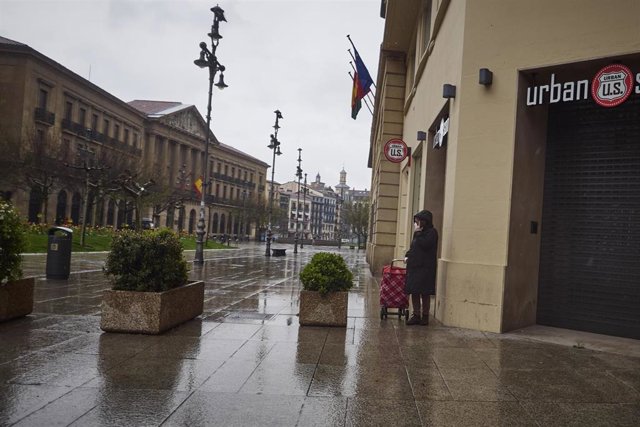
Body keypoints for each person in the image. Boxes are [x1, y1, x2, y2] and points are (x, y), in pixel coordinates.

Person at [404, 209, 438, 325]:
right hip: (414, 266)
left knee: (425, 292)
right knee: (414, 291)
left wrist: (418, 233)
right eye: (416, 220)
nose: (417, 223)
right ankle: (416, 315)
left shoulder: (432, 232)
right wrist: (407, 255)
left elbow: (425, 244)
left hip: (425, 267)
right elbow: (414, 246)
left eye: (419, 221)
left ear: (425, 221)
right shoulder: (417, 233)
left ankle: (425, 316)